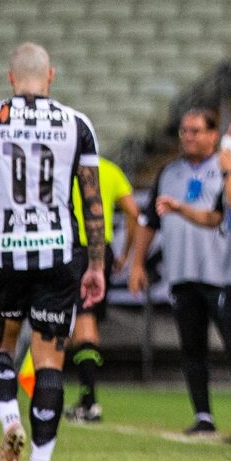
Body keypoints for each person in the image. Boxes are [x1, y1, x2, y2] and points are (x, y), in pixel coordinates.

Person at [0, 42, 107, 461]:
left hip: (4, 255)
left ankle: (11, 421)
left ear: (11, 78)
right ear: (50, 76)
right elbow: (92, 200)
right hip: (58, 254)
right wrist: (96, 264)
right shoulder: (77, 124)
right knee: (49, 361)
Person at [154, 114, 231, 443]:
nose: (228, 141)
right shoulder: (230, 176)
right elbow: (216, 216)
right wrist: (180, 209)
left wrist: (227, 170)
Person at [130, 109, 226, 435]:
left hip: (222, 273)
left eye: (196, 131)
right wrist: (138, 264)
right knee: (191, 347)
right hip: (182, 273)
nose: (188, 137)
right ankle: (203, 415)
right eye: (185, 131)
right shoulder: (168, 172)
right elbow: (148, 222)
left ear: (213, 134)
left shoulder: (226, 170)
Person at [64, 156, 139, 422]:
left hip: (71, 248)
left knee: (81, 321)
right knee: (84, 321)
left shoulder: (63, 166)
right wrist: (124, 253)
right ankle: (85, 398)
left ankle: (88, 401)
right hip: (100, 250)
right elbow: (133, 212)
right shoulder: (109, 169)